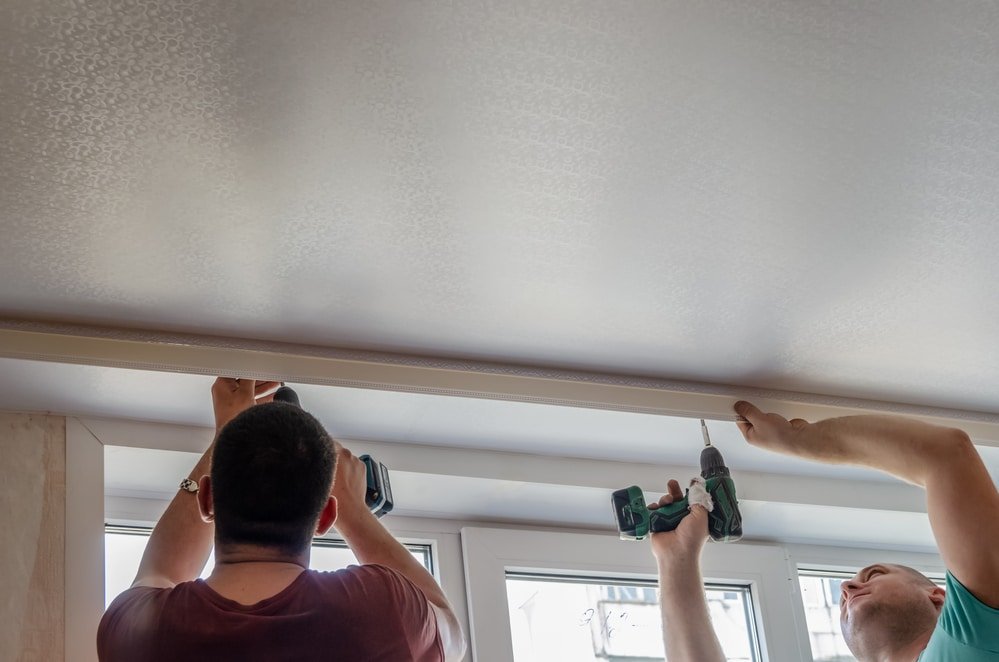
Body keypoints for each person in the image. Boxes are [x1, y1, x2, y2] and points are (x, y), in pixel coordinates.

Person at [97, 378, 466, 661]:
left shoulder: (140, 630)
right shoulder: (381, 608)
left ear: (208, 499)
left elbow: (160, 570)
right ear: (326, 516)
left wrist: (226, 433)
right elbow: (450, 630)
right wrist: (354, 511)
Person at [651, 400, 999, 662]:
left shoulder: (973, 637)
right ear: (936, 594)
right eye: (872, 575)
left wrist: (677, 561)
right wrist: (799, 439)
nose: (848, 587)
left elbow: (947, 456)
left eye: (865, 580)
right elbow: (945, 456)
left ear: (939, 600)